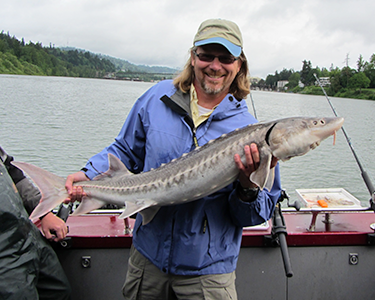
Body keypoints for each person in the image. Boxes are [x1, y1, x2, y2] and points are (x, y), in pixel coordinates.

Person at [65, 18, 281, 300]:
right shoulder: (157, 98)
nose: (215, 66)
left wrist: (247, 186)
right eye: (206, 55)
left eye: (225, 57)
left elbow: (255, 215)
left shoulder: (252, 132)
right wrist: (89, 173)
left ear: (239, 64)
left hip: (208, 274)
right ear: (193, 58)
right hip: (147, 262)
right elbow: (124, 150)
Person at [0, 146, 71, 299]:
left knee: (59, 292)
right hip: (4, 258)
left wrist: (45, 213)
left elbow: (14, 174)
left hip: (30, 238)